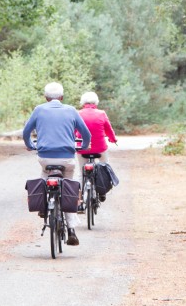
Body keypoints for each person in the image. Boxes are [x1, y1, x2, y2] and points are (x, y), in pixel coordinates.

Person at [22, 82, 91, 246]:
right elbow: (86, 133)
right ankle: (71, 230)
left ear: (46, 97)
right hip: (66, 159)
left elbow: (26, 131)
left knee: (45, 176)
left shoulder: (39, 110)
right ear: (62, 97)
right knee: (68, 188)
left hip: (45, 158)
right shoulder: (71, 110)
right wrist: (82, 146)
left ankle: (43, 206)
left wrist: (31, 145)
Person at [76, 91, 118, 202]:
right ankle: (103, 191)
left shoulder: (78, 113)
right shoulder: (101, 113)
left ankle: (79, 199)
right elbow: (108, 129)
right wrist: (113, 139)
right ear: (96, 102)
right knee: (105, 166)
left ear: (83, 102)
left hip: (83, 148)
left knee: (81, 173)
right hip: (100, 148)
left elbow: (72, 131)